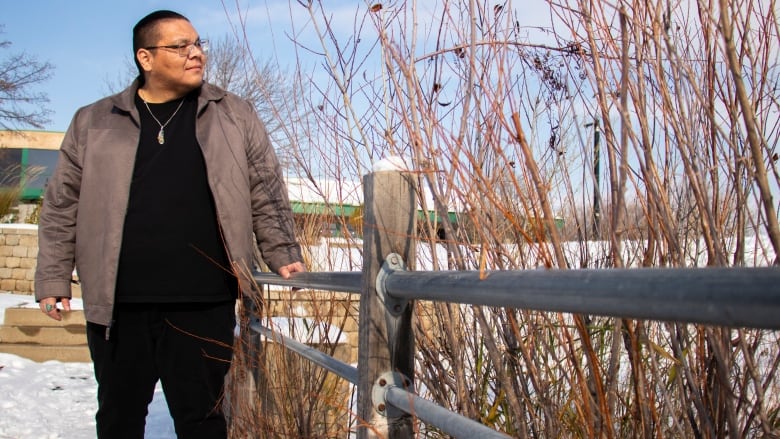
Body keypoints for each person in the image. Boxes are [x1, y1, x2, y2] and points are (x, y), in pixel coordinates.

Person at [34, 9, 305, 439]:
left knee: (202, 420)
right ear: (146, 57)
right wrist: (52, 278)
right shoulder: (94, 120)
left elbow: (265, 186)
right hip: (118, 304)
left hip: (205, 300)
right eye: (180, 46)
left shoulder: (233, 113)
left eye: (198, 44)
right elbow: (62, 205)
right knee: (118, 419)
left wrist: (283, 251)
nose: (196, 53)